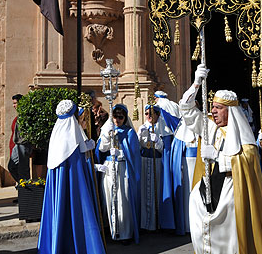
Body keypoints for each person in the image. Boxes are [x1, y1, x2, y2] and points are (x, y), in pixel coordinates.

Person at [179, 64, 262, 254]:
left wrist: (217, 156)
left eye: (218, 108)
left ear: (230, 111)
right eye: (212, 107)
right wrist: (196, 83)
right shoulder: (210, 127)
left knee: (230, 237)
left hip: (232, 190)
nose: (213, 111)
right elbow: (186, 109)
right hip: (211, 185)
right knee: (198, 215)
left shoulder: (244, 137)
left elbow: (245, 160)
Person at [37, 100, 105, 254]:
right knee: (78, 210)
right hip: (74, 185)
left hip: (60, 181)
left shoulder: (57, 135)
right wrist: (89, 147)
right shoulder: (72, 137)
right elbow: (80, 157)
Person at [96, 104, 141, 244]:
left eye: (121, 117)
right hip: (110, 168)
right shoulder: (109, 129)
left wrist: (121, 153)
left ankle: (125, 233)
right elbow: (102, 149)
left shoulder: (129, 132)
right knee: (109, 198)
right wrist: (106, 135)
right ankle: (113, 230)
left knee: (123, 200)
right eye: (115, 116)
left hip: (123, 168)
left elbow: (134, 154)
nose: (117, 120)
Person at [157, 91, 197, 235]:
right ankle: (186, 225)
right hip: (185, 167)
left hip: (197, 168)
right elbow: (177, 151)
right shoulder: (181, 131)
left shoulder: (201, 126)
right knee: (186, 195)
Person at [138, 104, 175, 231]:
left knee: (156, 190)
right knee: (145, 191)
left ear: (157, 115)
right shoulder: (142, 127)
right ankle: (144, 223)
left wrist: (158, 142)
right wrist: (140, 137)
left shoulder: (163, 129)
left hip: (157, 162)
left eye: (151, 113)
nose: (149, 116)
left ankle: (156, 222)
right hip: (144, 161)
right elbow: (138, 147)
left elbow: (165, 150)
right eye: (146, 113)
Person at [8, 94, 32, 184]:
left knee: (23, 169)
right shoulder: (20, 115)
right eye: (13, 103)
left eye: (15, 103)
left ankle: (25, 190)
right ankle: (23, 186)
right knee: (12, 166)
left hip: (23, 144)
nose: (14, 106)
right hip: (17, 144)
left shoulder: (26, 114)